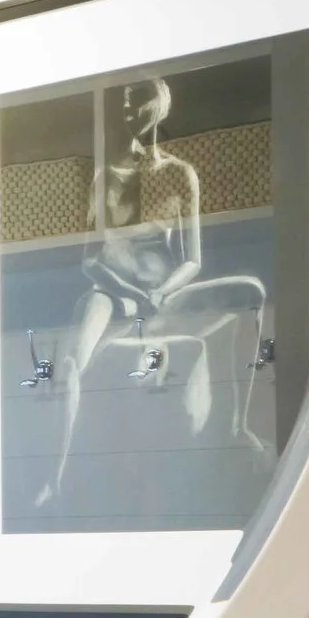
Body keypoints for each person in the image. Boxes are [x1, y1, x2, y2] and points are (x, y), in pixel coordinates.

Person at [21, 77, 269, 509]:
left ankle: (238, 425)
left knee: (251, 291)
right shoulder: (105, 177)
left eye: (136, 105)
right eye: (124, 107)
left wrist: (162, 292)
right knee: (72, 358)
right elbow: (90, 260)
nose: (128, 114)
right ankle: (54, 477)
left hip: (165, 295)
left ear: (158, 109)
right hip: (112, 293)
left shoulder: (179, 174)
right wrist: (132, 290)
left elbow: (193, 259)